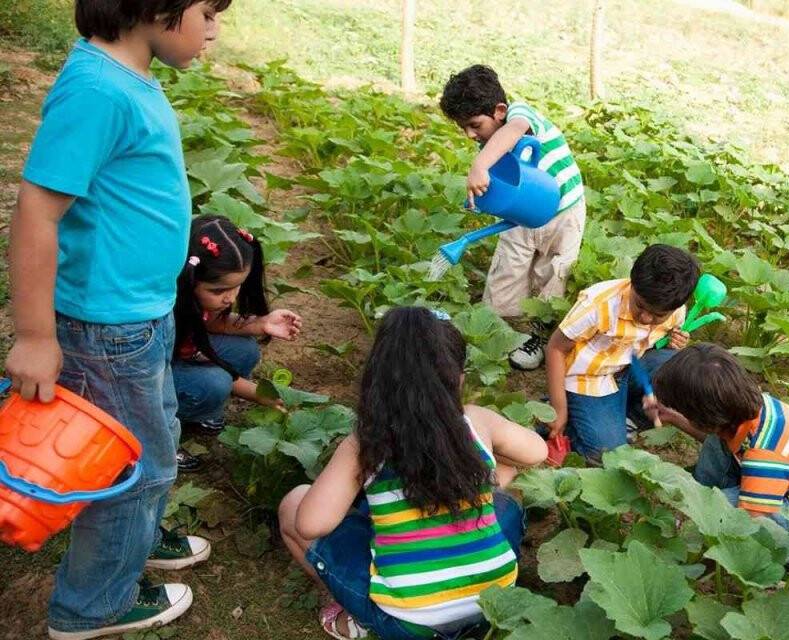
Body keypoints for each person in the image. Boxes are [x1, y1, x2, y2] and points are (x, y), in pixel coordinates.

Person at [4, 1, 231, 637]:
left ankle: (137, 536)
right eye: (208, 11)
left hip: (138, 317)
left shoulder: (125, 78)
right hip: (108, 327)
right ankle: (91, 606)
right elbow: (37, 213)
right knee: (132, 464)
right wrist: (34, 336)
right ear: (158, 6)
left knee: (155, 430)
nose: (214, 29)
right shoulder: (100, 91)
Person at [278, 307, 548, 640]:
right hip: (492, 604)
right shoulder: (477, 421)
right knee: (505, 492)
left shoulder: (366, 441)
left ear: (376, 379)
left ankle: (359, 615)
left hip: (410, 624)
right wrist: (486, 464)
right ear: (459, 378)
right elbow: (537, 452)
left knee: (293, 504)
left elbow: (309, 523)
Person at [439, 64, 586, 371]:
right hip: (520, 217)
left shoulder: (520, 115)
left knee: (554, 275)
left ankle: (540, 337)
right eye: (463, 128)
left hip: (564, 215)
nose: (469, 134)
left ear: (499, 109)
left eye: (474, 125)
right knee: (507, 273)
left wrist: (478, 165)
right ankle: (502, 333)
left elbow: (513, 130)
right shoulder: (488, 143)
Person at [652, 344, 789, 526]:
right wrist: (675, 418)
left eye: (683, 411)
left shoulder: (765, 452)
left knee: (720, 509)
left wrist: (706, 517)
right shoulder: (745, 409)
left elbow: (751, 520)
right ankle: (697, 493)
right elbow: (718, 437)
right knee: (716, 444)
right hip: (786, 483)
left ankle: (696, 510)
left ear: (705, 417)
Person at [545, 244, 699, 462]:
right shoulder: (599, 305)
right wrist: (558, 410)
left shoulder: (674, 308)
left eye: (657, 315)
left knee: (685, 368)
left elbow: (657, 347)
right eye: (640, 306)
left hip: (629, 366)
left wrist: (673, 344)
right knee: (607, 455)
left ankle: (623, 415)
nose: (646, 318)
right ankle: (571, 410)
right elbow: (556, 348)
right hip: (588, 378)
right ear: (632, 284)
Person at [172, 215, 302, 470]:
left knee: (244, 351)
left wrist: (261, 323)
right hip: (151, 381)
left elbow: (210, 324)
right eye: (218, 291)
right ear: (188, 278)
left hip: (180, 358)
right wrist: (257, 394)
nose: (229, 298)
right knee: (216, 384)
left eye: (237, 287)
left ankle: (194, 412)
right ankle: (163, 440)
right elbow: (205, 358)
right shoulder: (170, 311)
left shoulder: (197, 301)